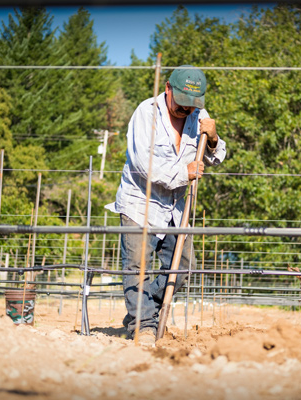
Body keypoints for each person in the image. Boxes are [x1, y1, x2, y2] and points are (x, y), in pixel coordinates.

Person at [105, 65, 226, 345]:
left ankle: (145, 309)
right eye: (181, 102)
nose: (186, 110)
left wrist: (213, 139)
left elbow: (215, 158)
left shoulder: (199, 116)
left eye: (191, 105)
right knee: (137, 268)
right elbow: (143, 164)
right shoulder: (146, 114)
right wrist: (185, 172)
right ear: (168, 88)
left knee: (183, 266)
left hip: (174, 207)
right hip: (140, 202)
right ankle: (143, 325)